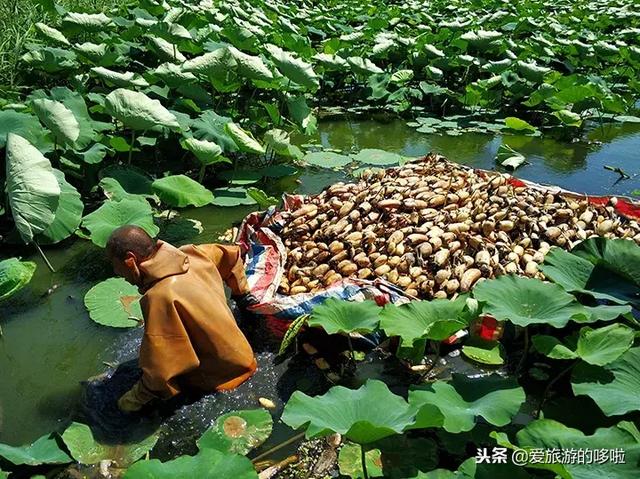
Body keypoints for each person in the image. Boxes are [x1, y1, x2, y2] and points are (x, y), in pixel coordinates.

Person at [105, 225, 259, 413]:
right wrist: (242, 296)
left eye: (116, 266)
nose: (118, 274)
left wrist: (133, 399)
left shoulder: (159, 297)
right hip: (245, 354)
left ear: (130, 261)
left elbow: (161, 372)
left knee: (127, 401)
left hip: (225, 379)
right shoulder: (192, 255)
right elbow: (231, 256)